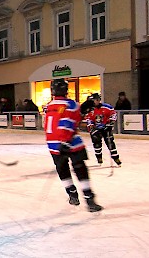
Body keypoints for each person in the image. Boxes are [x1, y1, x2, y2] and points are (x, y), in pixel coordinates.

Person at [44, 79, 102, 212]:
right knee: (80, 168)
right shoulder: (71, 103)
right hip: (70, 142)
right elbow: (68, 121)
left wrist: (81, 111)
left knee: (62, 169)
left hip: (53, 143)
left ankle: (72, 194)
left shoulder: (49, 105)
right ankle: (89, 199)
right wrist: (82, 110)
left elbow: (63, 116)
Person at [85, 93, 122, 166]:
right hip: (96, 128)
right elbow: (88, 119)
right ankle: (99, 158)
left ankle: (116, 158)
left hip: (106, 128)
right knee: (97, 143)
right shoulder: (90, 109)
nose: (96, 101)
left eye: (97, 100)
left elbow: (113, 114)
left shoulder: (107, 107)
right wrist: (92, 127)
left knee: (110, 143)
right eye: (95, 100)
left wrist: (110, 123)